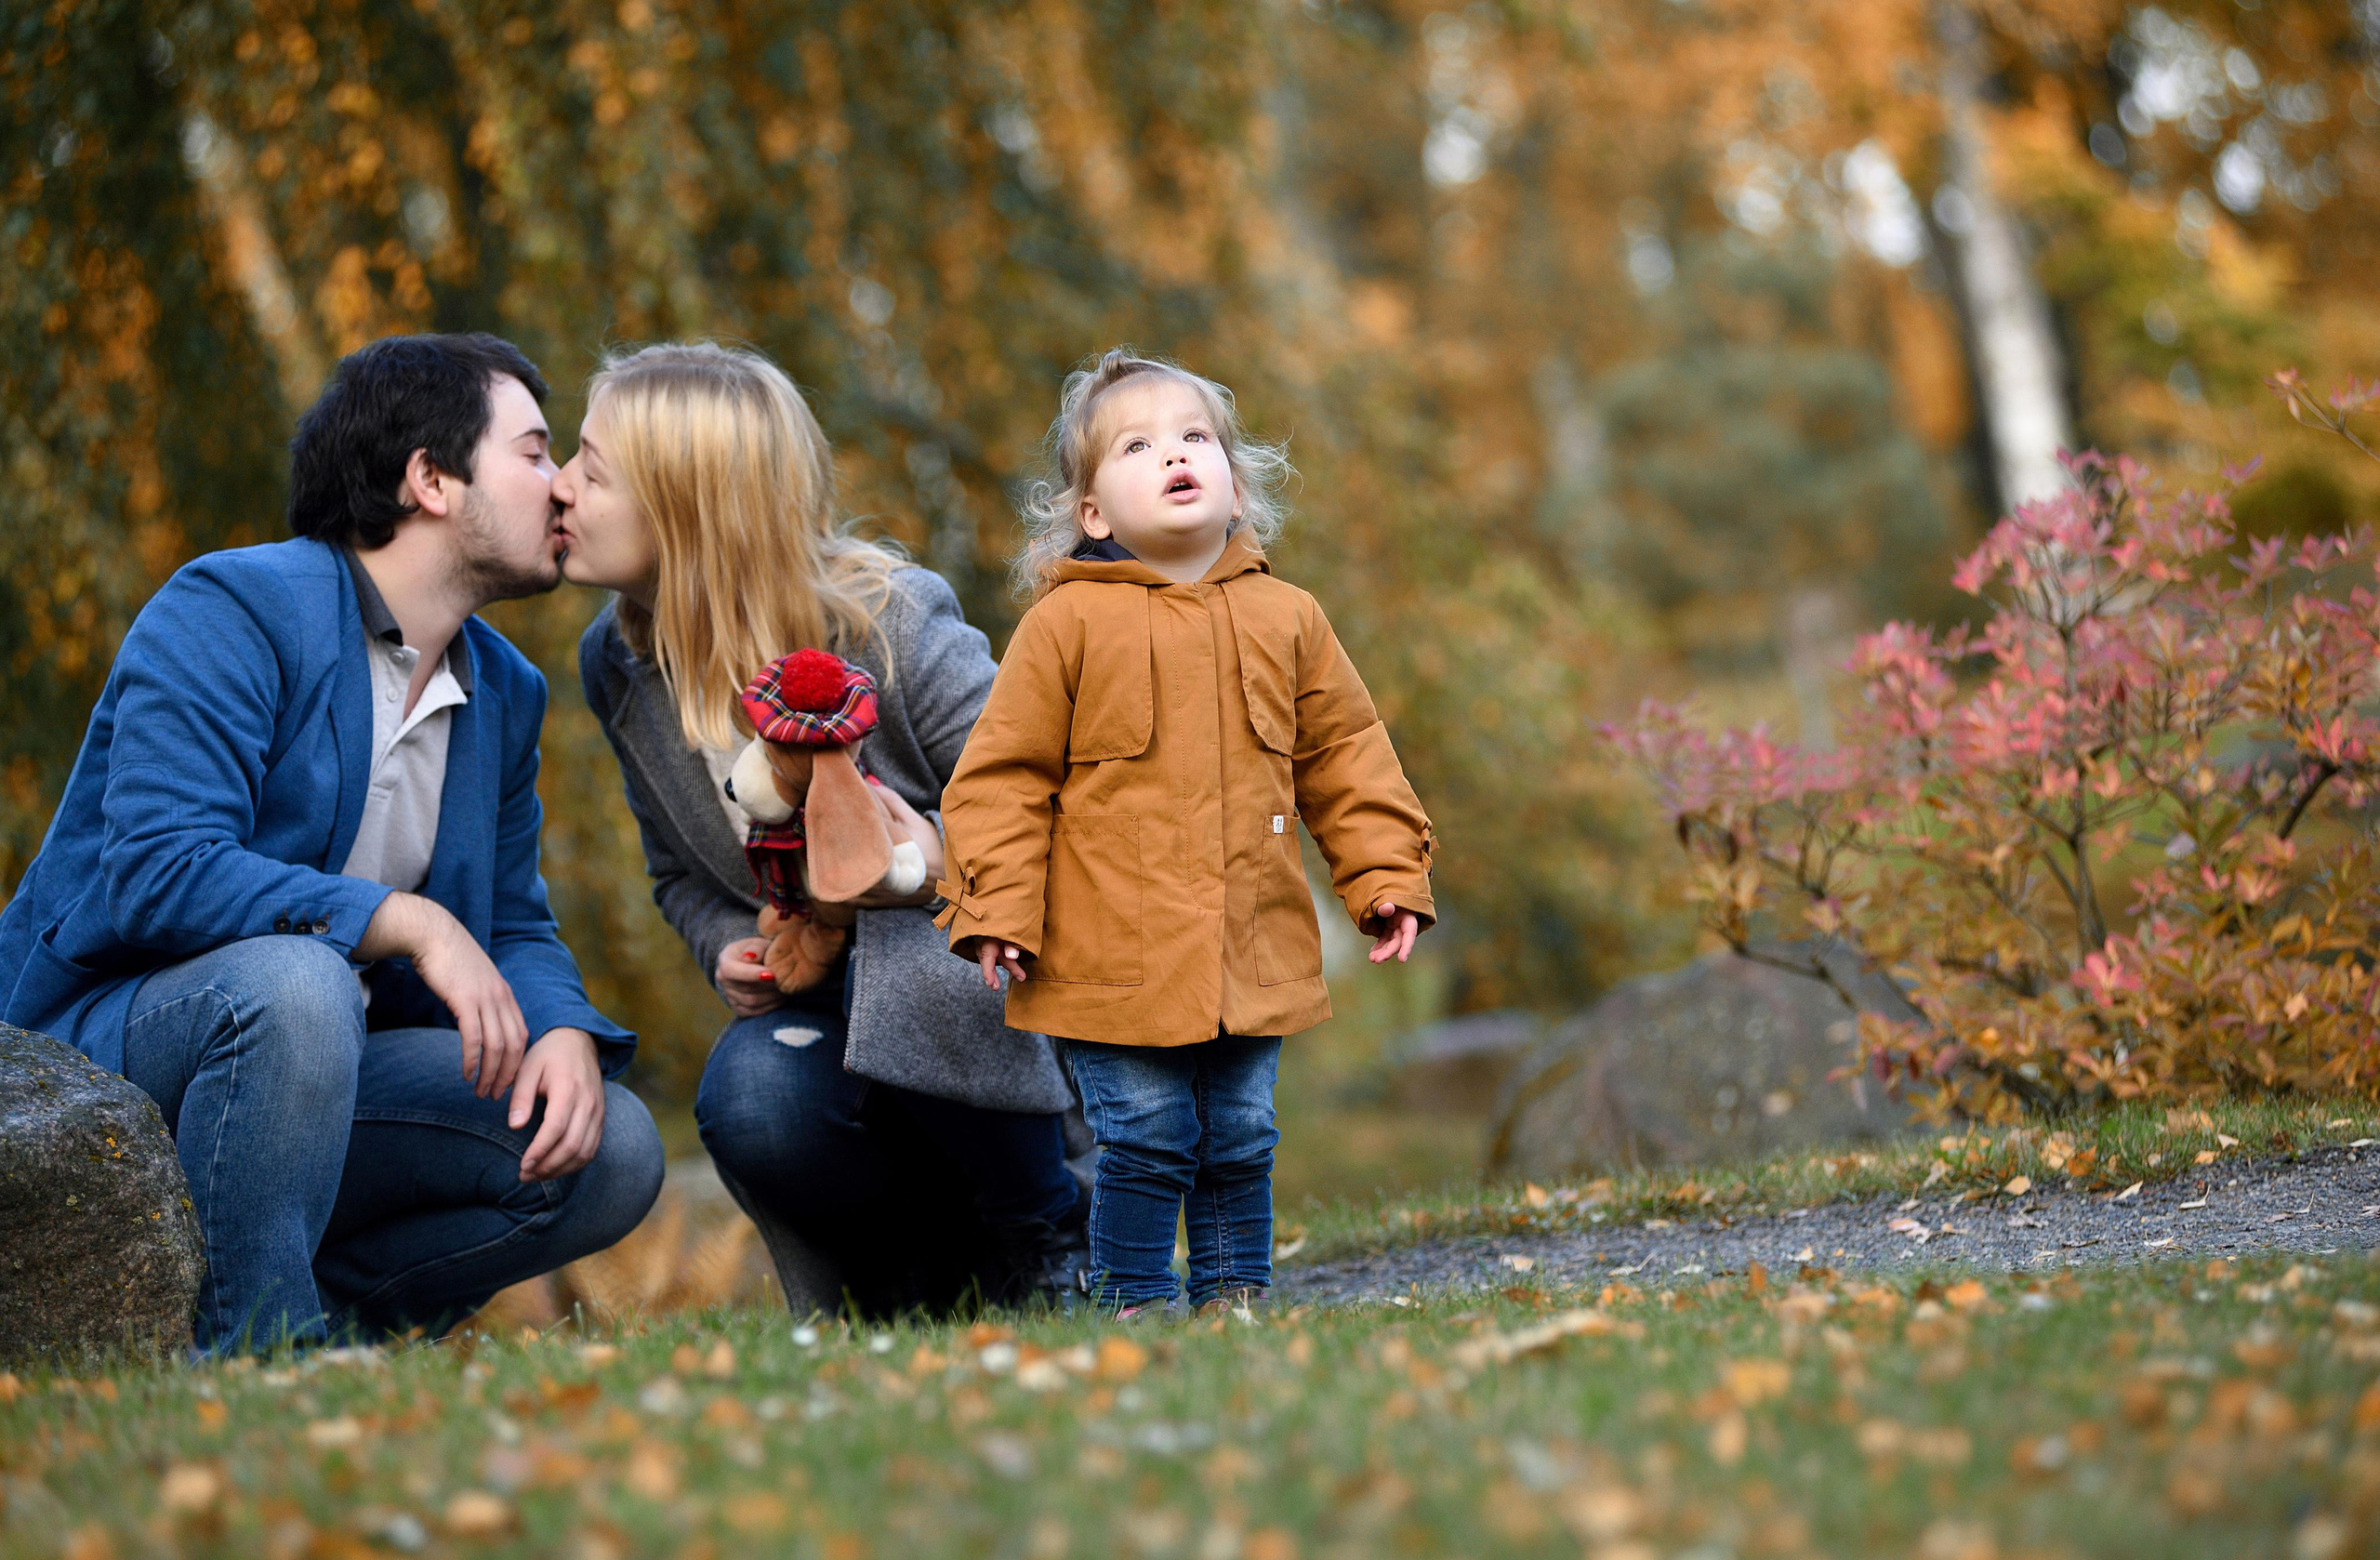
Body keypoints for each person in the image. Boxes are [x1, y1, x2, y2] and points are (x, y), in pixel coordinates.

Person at [0, 332, 666, 1353]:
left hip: (320, 1074)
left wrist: (562, 1029)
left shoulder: (505, 692)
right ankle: (266, 1349)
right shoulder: (232, 607)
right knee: (298, 983)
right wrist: (406, 920)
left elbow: (518, 920)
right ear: (431, 478)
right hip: (117, 1046)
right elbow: (159, 868)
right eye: (535, 453)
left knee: (606, 1145)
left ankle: (324, 1331)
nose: (564, 487)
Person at [559, 341, 1087, 1316]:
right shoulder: (618, 663)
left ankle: (1048, 1234)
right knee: (752, 1101)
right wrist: (725, 946)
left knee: (913, 962)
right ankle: (907, 1281)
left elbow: (1054, 811)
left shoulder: (894, 620)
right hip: (812, 998)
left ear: (687, 502)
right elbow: (677, 874)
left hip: (976, 988)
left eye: (589, 471)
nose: (557, 489)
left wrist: (927, 856)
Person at [936, 349, 1436, 1319]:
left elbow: (1345, 755)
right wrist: (995, 905)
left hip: (1250, 939)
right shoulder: (1064, 626)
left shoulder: (1287, 617)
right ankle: (1132, 1303)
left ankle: (1233, 1303)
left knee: (1241, 1132)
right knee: (1151, 1133)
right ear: (1090, 511)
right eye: (1137, 444)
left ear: (1235, 484)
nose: (1174, 454)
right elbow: (1002, 777)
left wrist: (1384, 874)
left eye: (1194, 436)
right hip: (1109, 954)